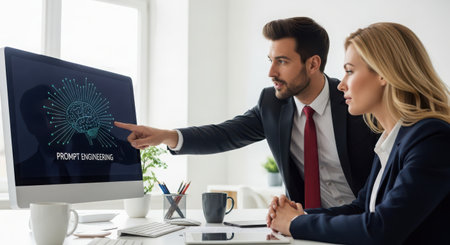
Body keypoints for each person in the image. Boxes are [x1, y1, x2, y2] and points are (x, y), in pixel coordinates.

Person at [115, 17, 378, 208]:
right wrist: (166, 136)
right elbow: (225, 134)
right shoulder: (271, 104)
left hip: (364, 222)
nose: (271, 72)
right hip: (305, 226)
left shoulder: (355, 100)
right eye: (270, 60)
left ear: (313, 64)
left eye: (282, 61)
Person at [268, 22, 450, 244]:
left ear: (383, 73)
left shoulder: (431, 139)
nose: (341, 85)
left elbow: (382, 228)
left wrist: (295, 223)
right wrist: (299, 215)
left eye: (350, 71)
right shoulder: (390, 139)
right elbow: (362, 208)